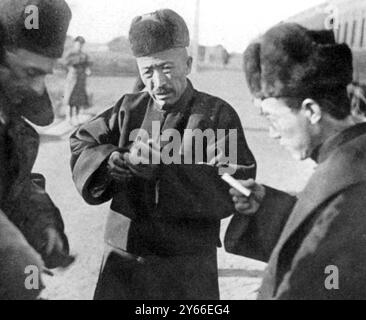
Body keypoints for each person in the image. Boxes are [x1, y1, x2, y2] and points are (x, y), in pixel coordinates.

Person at [70, 9, 256, 300]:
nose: (158, 82)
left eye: (166, 67)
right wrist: (112, 161)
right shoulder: (127, 108)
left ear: (188, 63)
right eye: (147, 72)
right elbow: (82, 141)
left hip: (188, 265)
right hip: (124, 258)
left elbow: (238, 183)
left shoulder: (217, 114)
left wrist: (165, 173)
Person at [224, 23, 366, 300]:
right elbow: (326, 242)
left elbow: (330, 281)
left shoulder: (348, 185)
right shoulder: (347, 161)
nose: (272, 133)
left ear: (311, 110)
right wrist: (267, 208)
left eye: (273, 118)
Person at [0, 0, 73, 299]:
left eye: (45, 74)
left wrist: (43, 223)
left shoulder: (11, 122)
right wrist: (10, 243)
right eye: (30, 73)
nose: (38, 88)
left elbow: (20, 182)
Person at [64, 36, 92, 125]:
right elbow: (65, 64)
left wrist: (87, 70)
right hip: (72, 78)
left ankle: (75, 117)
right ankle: (68, 116)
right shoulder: (70, 54)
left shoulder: (84, 55)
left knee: (79, 98)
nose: (79, 46)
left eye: (81, 44)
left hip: (81, 79)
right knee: (70, 97)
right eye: (78, 44)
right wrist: (70, 69)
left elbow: (87, 65)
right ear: (75, 44)